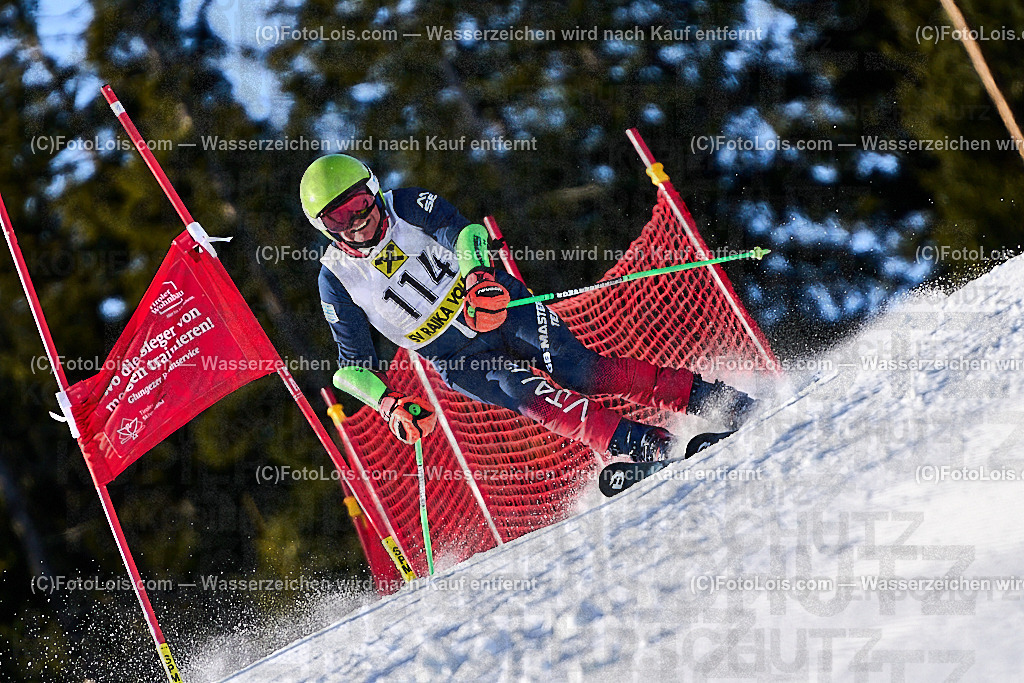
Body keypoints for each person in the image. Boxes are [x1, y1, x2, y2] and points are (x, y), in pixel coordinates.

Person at [300, 154, 754, 462]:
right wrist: (389, 405)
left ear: (373, 191)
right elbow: (350, 368)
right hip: (457, 356)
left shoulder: (407, 205)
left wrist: (478, 277)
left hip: (497, 305)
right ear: (324, 228)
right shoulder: (336, 278)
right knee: (529, 397)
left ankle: (716, 400)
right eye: (338, 219)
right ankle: (649, 445)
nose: (357, 223)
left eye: (359, 205)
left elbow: (465, 234)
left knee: (581, 372)